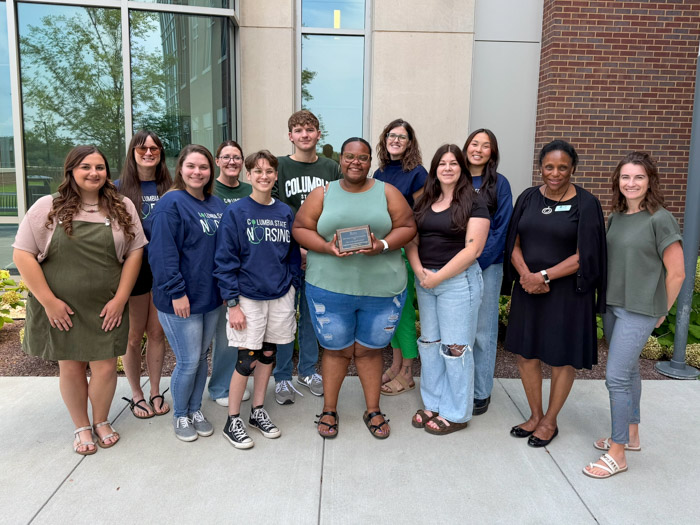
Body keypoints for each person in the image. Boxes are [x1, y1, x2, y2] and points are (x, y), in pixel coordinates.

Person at [13, 145, 146, 454]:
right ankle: (81, 426)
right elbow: (22, 255)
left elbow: (135, 253)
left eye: (100, 167)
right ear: (71, 170)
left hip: (106, 307)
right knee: (71, 367)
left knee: (105, 368)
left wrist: (121, 299)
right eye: (86, 166)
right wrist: (48, 302)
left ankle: (101, 420)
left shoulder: (121, 207)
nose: (93, 173)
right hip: (62, 309)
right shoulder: (48, 207)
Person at [293, 137, 416, 439]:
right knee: (336, 351)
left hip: (381, 289)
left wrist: (383, 245)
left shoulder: (387, 192)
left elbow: (408, 226)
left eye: (362, 158)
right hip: (329, 288)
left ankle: (372, 409)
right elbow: (299, 228)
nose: (355, 163)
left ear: (369, 161)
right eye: (349, 157)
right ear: (341, 160)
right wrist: (324, 246)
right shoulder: (323, 193)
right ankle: (329, 409)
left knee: (370, 351)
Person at [583, 152, 684, 479]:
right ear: (618, 182)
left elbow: (678, 273)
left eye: (638, 177)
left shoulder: (660, 218)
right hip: (614, 306)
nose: (631, 183)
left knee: (615, 377)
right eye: (625, 177)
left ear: (650, 180)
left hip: (640, 310)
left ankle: (618, 452)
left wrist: (661, 311)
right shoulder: (616, 217)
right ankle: (633, 434)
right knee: (629, 373)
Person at [504, 139, 606, 447]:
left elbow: (586, 254)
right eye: (549, 166)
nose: (555, 173)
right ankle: (535, 415)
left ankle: (550, 421)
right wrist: (526, 275)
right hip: (528, 288)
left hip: (567, 293)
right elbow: (513, 242)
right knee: (526, 353)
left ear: (573, 168)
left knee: (561, 358)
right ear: (541, 167)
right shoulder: (528, 197)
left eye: (563, 167)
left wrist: (544, 275)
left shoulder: (586, 203)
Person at [214, 150, 302, 449]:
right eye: (257, 171)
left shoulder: (285, 212)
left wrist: (292, 286)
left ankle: (258, 411)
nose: (263, 176)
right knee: (246, 357)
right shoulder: (236, 212)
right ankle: (233, 419)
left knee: (268, 355)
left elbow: (292, 254)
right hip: (247, 297)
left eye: (269, 171)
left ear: (276, 176)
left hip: (279, 295)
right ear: (248, 175)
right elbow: (224, 259)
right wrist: (233, 303)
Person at [406, 144, 490, 435]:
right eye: (442, 163)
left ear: (462, 168)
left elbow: (474, 249)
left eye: (454, 163)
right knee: (429, 345)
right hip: (426, 280)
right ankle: (434, 403)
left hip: (457, 283)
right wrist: (419, 272)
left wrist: (438, 276)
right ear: (435, 168)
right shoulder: (424, 200)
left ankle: (456, 412)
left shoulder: (475, 202)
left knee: (455, 349)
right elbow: (412, 241)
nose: (448, 168)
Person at [149, 144, 226, 442]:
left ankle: (195, 409)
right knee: (189, 360)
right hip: (180, 299)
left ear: (211, 171)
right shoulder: (172, 204)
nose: (198, 172)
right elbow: (163, 254)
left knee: (202, 357)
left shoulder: (216, 205)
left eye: (203, 167)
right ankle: (180, 415)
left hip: (210, 297)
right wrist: (176, 293)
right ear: (180, 169)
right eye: (191, 166)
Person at [271, 110, 341, 405]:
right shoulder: (279, 166)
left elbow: (339, 209)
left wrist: (317, 245)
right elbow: (272, 208)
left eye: (309, 129)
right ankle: (283, 376)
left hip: (321, 255)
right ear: (290, 136)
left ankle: (308, 370)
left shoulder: (331, 168)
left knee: (313, 316)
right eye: (298, 130)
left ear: (318, 134)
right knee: (285, 317)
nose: (304, 135)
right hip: (287, 255)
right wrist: (296, 246)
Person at [116, 130, 172, 419]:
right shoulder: (117, 188)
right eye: (142, 149)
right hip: (134, 271)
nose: (148, 153)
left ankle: (155, 390)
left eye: (154, 148)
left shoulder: (171, 188)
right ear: (133, 153)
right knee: (134, 335)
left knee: (157, 333)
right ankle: (136, 393)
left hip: (163, 270)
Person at [373, 118, 428, 396]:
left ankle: (407, 373)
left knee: (403, 312)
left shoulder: (417, 173)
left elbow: (421, 213)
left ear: (410, 143)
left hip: (405, 250)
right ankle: (395, 365)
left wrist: (406, 243)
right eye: (391, 135)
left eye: (402, 137)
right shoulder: (380, 171)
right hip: (384, 251)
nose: (395, 140)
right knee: (390, 312)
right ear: (385, 140)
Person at [462, 129, 513, 415]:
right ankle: (460, 385)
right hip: (453, 265)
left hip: (488, 265)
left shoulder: (500, 184)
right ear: (466, 146)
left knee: (483, 330)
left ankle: (481, 391)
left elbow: (502, 228)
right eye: (474, 143)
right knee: (458, 331)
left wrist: (476, 260)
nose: (478, 149)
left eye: (486, 146)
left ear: (492, 152)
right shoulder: (454, 178)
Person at [208, 140, 253, 407]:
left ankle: (234, 383)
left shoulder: (250, 189)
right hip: (219, 270)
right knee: (223, 337)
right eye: (226, 157)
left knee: (241, 334)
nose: (232, 162)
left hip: (247, 272)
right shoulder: (209, 189)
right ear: (217, 161)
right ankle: (219, 387)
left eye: (236, 157)